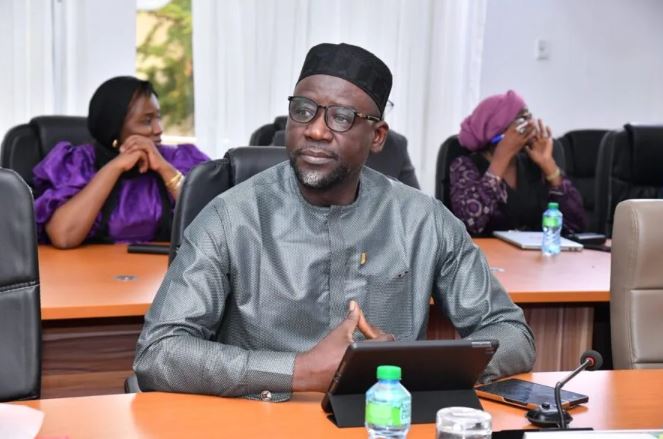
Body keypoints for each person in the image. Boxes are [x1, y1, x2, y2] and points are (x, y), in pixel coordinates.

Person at [134, 43, 535, 400]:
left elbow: (511, 333)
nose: (315, 130)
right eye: (303, 111)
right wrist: (300, 371)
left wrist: (406, 368)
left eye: (341, 118)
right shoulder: (230, 218)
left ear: (377, 136)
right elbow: (159, 352)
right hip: (263, 422)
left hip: (381, 422)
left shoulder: (424, 222)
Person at [33, 76, 209, 248]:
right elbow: (63, 237)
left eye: (158, 117)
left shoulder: (179, 159)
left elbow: (214, 225)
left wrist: (164, 169)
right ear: (114, 127)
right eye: (147, 121)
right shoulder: (78, 163)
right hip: (90, 267)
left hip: (166, 267)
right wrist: (115, 167)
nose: (159, 129)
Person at [449, 90, 586, 236]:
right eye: (522, 120)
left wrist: (548, 165)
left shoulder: (533, 164)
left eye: (529, 116)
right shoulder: (465, 165)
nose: (531, 124)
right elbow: (470, 224)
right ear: (498, 131)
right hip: (486, 250)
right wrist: (500, 160)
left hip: (537, 250)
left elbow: (575, 226)